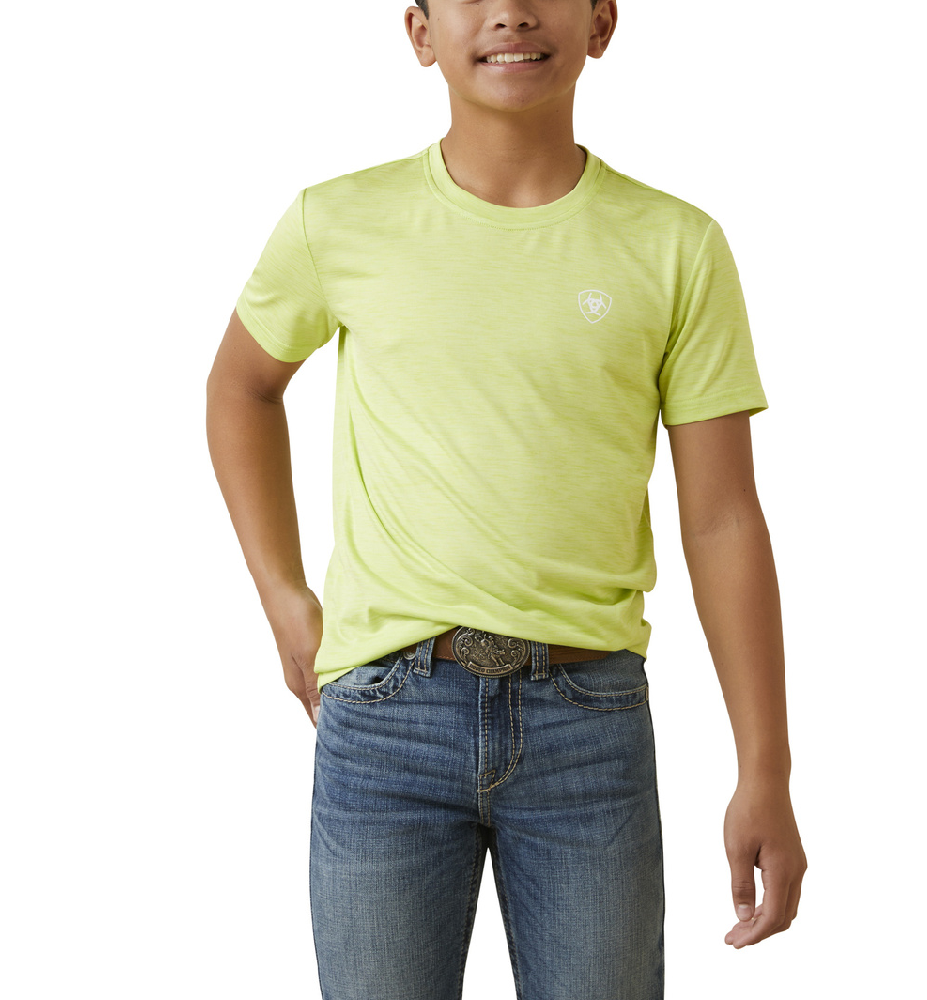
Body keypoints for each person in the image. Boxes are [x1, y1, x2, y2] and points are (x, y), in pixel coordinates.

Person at [206, 1, 807, 996]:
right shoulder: (337, 221)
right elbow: (241, 386)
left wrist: (766, 771)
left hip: (589, 726)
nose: (511, 11)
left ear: (601, 21)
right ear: (420, 31)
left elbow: (723, 517)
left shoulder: (675, 245)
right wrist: (281, 595)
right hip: (386, 718)